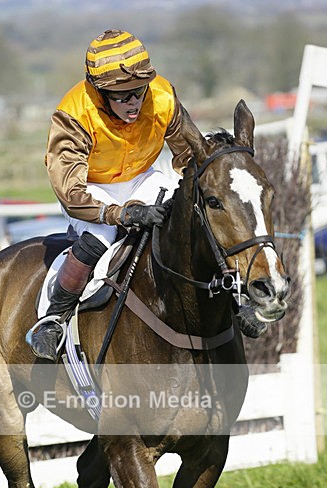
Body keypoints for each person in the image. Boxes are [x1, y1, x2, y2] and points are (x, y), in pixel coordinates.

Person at [26, 29, 205, 361]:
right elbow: (71, 193)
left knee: (186, 220)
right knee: (101, 237)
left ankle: (234, 298)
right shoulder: (74, 113)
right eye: (122, 97)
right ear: (100, 92)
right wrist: (121, 214)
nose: (134, 102)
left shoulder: (162, 96)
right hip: (89, 188)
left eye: (139, 91)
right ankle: (53, 318)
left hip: (142, 177)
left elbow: (192, 155)